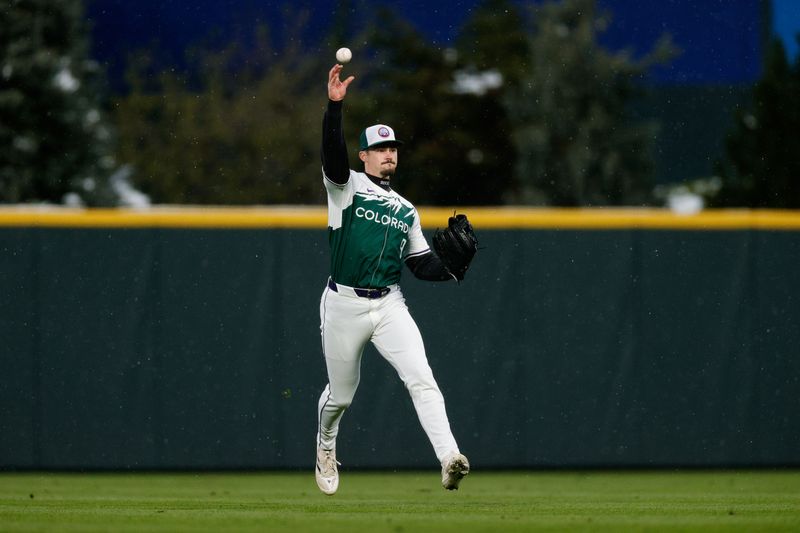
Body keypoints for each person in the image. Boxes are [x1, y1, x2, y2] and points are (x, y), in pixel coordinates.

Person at [315, 63, 470, 495]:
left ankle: (449, 458)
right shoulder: (345, 188)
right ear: (363, 155)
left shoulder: (406, 210)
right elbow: (331, 153)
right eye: (380, 149)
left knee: (421, 377)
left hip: (388, 304)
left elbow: (421, 264)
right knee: (341, 397)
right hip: (343, 303)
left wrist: (454, 268)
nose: (389, 155)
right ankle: (325, 444)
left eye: (393, 149)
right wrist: (334, 108)